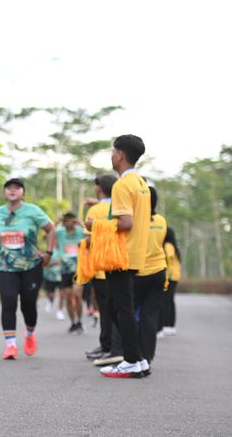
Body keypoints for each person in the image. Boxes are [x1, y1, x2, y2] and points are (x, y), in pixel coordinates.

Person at [90, 135, 151, 378]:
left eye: (113, 151)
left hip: (121, 255)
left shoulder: (122, 185)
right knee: (115, 307)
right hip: (134, 253)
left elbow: (125, 223)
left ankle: (131, 361)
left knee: (121, 309)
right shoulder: (140, 183)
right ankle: (139, 359)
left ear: (121, 155)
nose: (111, 155)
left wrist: (95, 225)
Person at [0, 178, 55, 360]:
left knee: (29, 304)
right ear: (4, 193)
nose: (12, 190)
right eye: (9, 188)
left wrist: (49, 252)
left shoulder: (33, 211)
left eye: (17, 188)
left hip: (31, 266)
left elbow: (50, 228)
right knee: (8, 301)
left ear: (23, 192)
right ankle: (10, 345)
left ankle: (30, 333)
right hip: (5, 266)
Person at [82, 174, 125, 365]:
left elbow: (89, 238)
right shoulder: (119, 207)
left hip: (101, 266)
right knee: (116, 308)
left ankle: (107, 347)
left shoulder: (95, 210)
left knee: (106, 310)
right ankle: (111, 346)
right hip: (120, 261)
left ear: (99, 188)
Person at [133, 186, 167, 373]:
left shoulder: (136, 221)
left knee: (130, 314)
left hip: (139, 273)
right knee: (150, 316)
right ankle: (148, 357)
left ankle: (134, 355)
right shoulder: (161, 220)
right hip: (159, 271)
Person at [57, 212, 86, 334]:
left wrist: (78, 221)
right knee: (68, 299)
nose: (69, 223)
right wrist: (58, 220)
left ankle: (79, 322)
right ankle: (73, 323)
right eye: (66, 220)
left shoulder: (80, 231)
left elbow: (90, 231)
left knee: (77, 295)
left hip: (79, 269)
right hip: (65, 270)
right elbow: (48, 231)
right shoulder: (60, 232)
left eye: (71, 220)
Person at [158, 227, 181, 337]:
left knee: (165, 301)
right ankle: (170, 326)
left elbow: (168, 258)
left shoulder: (168, 245)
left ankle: (166, 325)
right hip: (174, 277)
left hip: (169, 277)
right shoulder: (173, 246)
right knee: (170, 301)